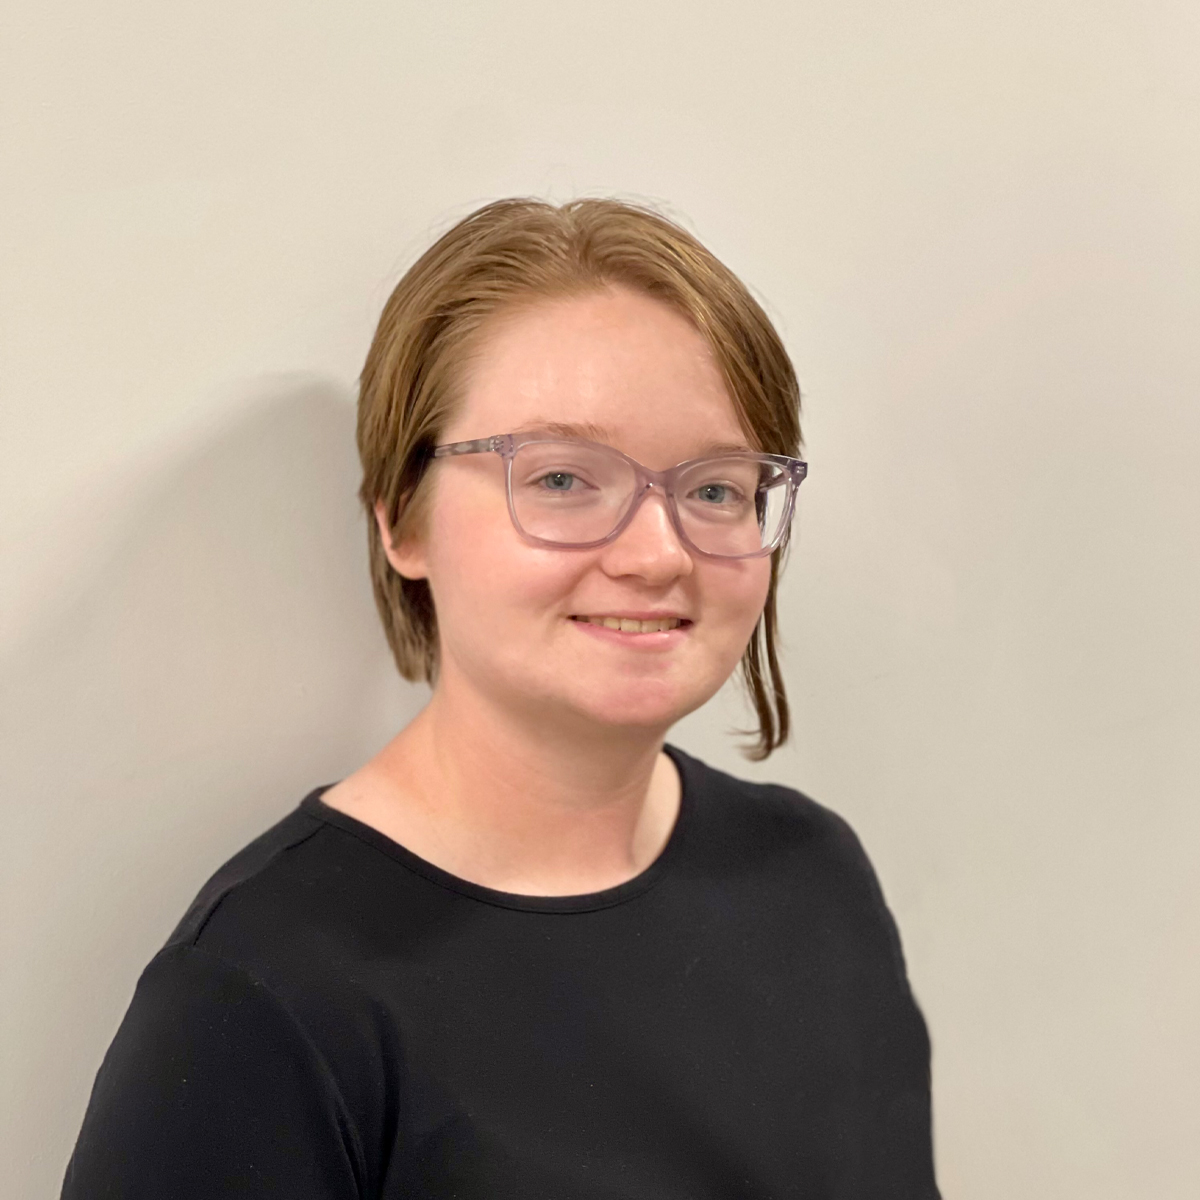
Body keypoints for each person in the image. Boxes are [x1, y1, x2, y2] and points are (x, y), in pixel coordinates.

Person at [61, 198, 940, 1198]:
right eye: (563, 479)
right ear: (403, 519)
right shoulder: (261, 999)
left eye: (715, 489)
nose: (658, 554)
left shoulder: (814, 881)